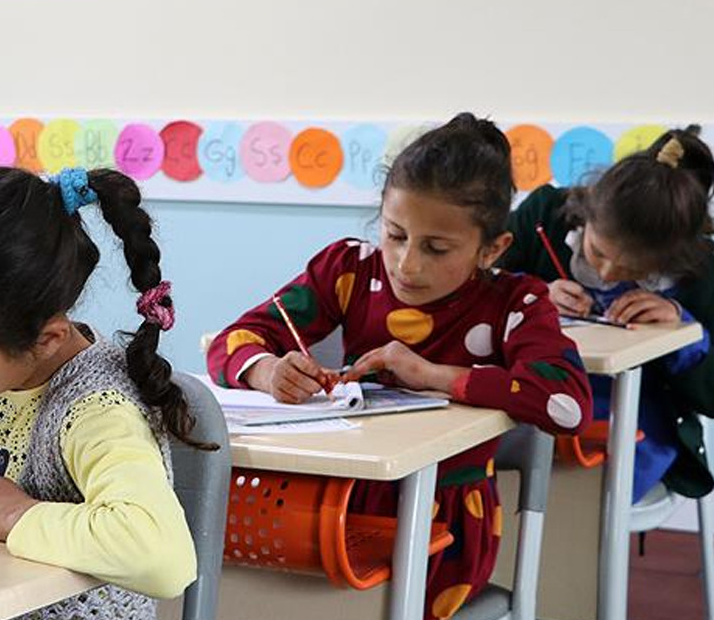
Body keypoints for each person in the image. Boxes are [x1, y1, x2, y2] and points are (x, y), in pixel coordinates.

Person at [207, 113, 592, 619]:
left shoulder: (515, 303)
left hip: (443, 528)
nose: (407, 264)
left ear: (491, 249)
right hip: (334, 504)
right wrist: (266, 369)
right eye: (395, 235)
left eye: (436, 248)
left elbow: (567, 405)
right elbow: (234, 340)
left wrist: (438, 376)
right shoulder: (348, 269)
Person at [0, 167, 199, 618]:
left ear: (47, 339)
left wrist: (17, 517)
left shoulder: (96, 408)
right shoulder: (0, 370)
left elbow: (163, 557)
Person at [499, 125, 714, 502]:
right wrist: (532, 294)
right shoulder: (547, 215)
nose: (607, 273)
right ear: (587, 211)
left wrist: (686, 333)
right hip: (528, 398)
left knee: (576, 495)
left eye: (634, 269)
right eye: (597, 251)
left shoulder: (699, 271)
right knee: (485, 472)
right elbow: (477, 282)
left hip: (634, 421)